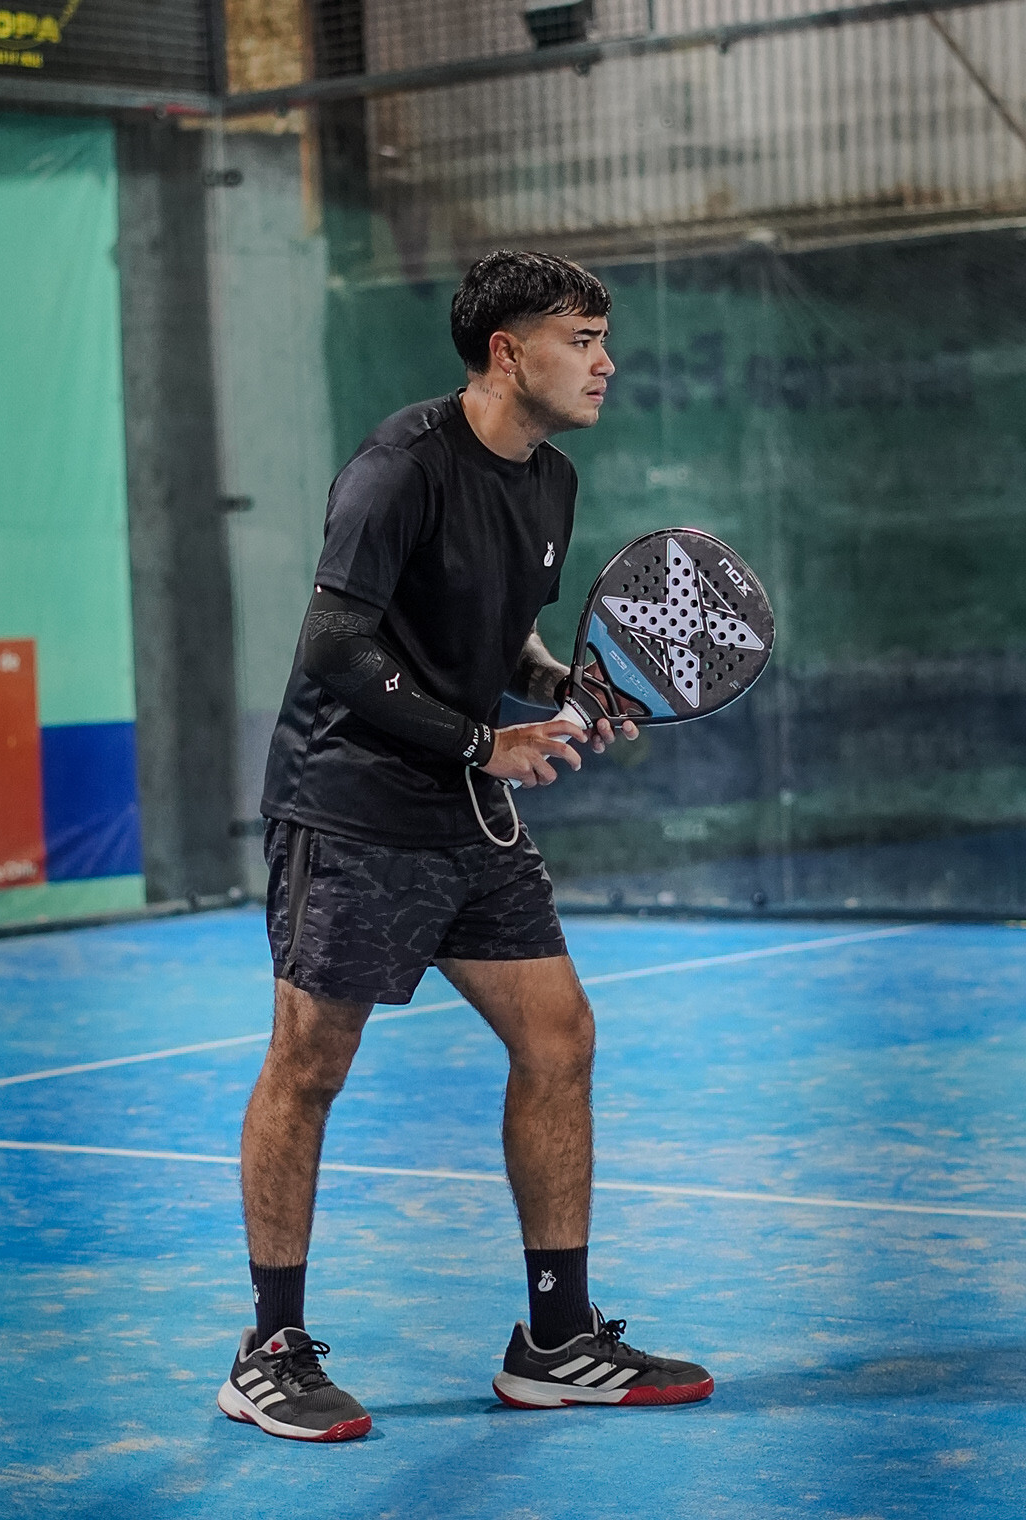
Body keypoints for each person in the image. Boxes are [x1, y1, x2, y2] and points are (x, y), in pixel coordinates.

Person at [218, 249, 714, 1441]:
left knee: (559, 1039)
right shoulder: (400, 469)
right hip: (350, 810)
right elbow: (335, 645)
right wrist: (486, 742)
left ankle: (555, 1340)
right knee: (310, 1066)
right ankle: (268, 1350)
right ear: (508, 351)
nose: (605, 362)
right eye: (580, 339)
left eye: (603, 339)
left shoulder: (550, 482)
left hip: (467, 816)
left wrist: (558, 686)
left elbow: (501, 643)